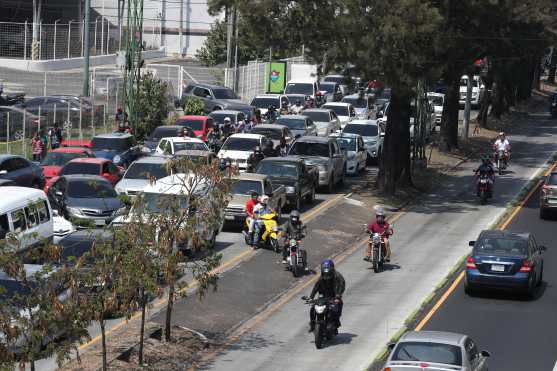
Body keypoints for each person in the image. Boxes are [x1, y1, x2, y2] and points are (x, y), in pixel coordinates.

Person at [308, 259, 345, 331]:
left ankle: (336, 322)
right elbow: (316, 287)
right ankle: (312, 324)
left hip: (334, 296)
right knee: (313, 308)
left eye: (327, 269)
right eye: (324, 269)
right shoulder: (321, 278)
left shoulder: (337, 276)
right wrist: (311, 298)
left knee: (337, 306)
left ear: (331, 268)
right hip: (323, 296)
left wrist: (338, 296)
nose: (326, 273)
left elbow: (341, 285)